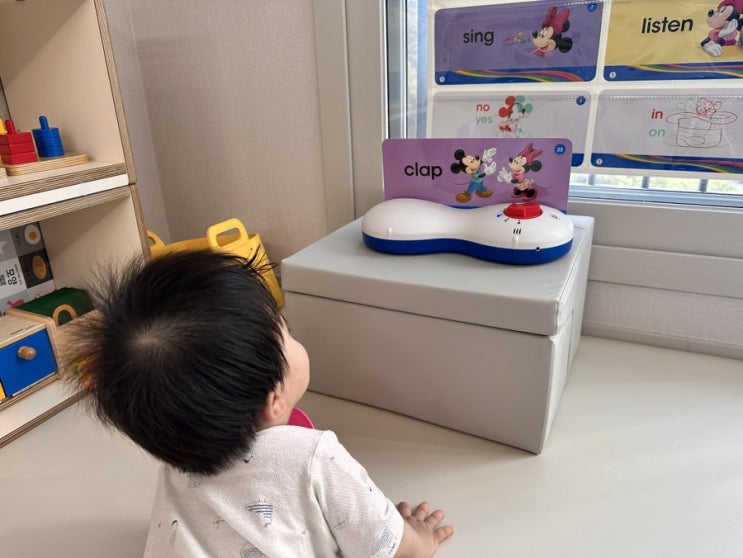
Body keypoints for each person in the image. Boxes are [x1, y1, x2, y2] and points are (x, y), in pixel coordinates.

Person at [67, 248, 454, 557]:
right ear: (274, 397)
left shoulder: (175, 468)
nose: (295, 337)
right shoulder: (315, 457)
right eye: (287, 331)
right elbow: (394, 549)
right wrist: (419, 537)